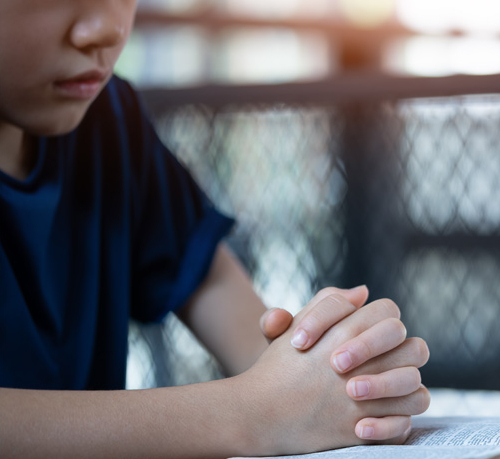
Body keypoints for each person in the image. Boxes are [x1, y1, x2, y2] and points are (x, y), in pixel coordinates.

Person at [0, 0, 430, 457]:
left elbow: (207, 274)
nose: (105, 28)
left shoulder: (108, 120)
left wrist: (328, 369)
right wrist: (251, 413)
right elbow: (261, 411)